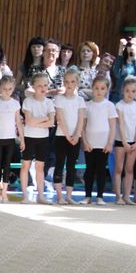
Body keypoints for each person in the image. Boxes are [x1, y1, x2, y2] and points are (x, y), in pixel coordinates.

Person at [52, 68, 87, 204]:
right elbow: (60, 119)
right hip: (62, 136)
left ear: (77, 82)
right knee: (60, 163)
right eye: (66, 81)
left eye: (72, 81)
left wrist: (77, 135)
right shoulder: (59, 99)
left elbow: (81, 119)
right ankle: (60, 196)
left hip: (75, 137)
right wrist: (68, 135)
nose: (69, 84)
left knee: (72, 165)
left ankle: (69, 196)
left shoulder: (80, 100)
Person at [20, 73, 55, 203]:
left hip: (43, 138)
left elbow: (52, 123)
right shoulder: (28, 101)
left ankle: (41, 196)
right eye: (39, 85)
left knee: (40, 167)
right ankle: (24, 196)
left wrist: (38, 121)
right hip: (29, 137)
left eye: (45, 85)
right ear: (33, 86)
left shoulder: (49, 102)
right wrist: (44, 118)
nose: (43, 88)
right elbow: (28, 121)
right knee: (25, 166)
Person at [82, 77, 117, 205]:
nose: (99, 91)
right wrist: (85, 142)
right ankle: (87, 196)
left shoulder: (109, 106)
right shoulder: (87, 105)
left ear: (107, 90)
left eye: (102, 88)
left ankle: (100, 197)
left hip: (103, 144)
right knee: (89, 170)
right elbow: (83, 126)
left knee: (101, 170)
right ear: (92, 88)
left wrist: (110, 143)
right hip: (90, 143)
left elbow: (113, 126)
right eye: (96, 88)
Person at [113, 77, 136, 205]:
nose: (130, 94)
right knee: (119, 168)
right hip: (121, 141)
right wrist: (124, 141)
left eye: (133, 91)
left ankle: (127, 196)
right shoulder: (119, 105)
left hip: (133, 142)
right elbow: (120, 125)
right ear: (122, 91)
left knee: (129, 169)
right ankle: (118, 196)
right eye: (127, 91)